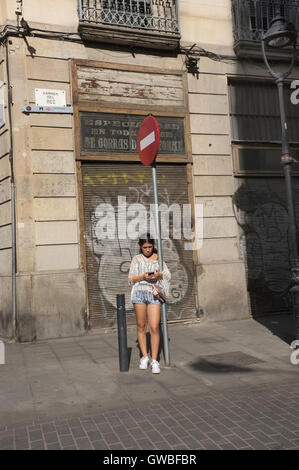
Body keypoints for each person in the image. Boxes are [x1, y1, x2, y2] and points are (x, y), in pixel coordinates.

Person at [128, 233, 171, 374]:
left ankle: (154, 360)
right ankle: (144, 357)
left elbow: (168, 275)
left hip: (154, 294)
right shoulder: (136, 259)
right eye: (145, 247)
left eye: (150, 247)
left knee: (154, 327)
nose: (147, 249)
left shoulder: (159, 259)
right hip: (139, 294)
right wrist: (143, 276)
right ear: (140, 247)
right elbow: (130, 279)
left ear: (153, 246)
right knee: (141, 326)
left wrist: (159, 275)